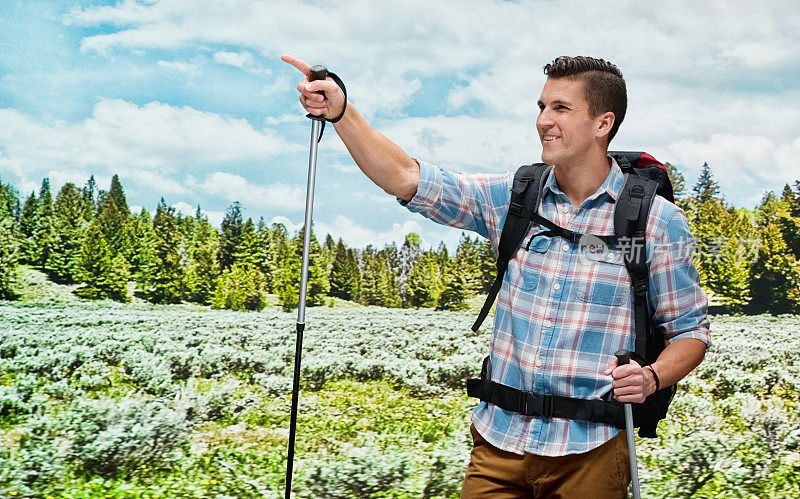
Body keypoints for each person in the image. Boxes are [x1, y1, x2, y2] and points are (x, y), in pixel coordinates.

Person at [283, 54, 710, 498]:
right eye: (541, 107)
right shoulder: (512, 198)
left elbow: (690, 332)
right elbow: (407, 177)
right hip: (498, 445)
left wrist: (653, 377)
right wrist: (341, 112)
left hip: (592, 451)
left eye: (560, 108)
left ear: (603, 123)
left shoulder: (655, 223)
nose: (544, 120)